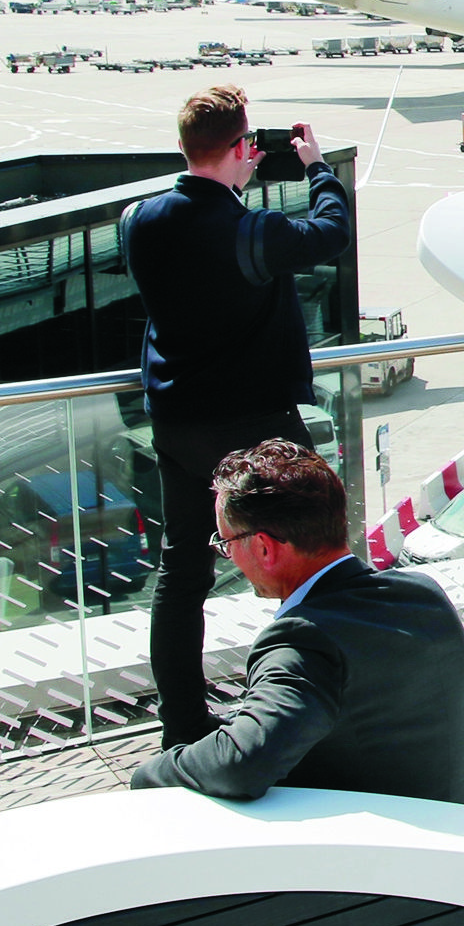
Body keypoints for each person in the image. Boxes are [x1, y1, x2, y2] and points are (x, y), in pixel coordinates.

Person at [122, 85, 351, 747]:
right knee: (313, 554)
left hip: (177, 422)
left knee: (181, 570)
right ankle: (313, 703)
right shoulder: (250, 229)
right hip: (253, 426)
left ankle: (183, 724)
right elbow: (330, 233)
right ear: (242, 147)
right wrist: (315, 166)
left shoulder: (141, 217)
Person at [132, 440, 464, 806]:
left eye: (226, 542)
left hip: (382, 855)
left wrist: (153, 773)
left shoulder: (303, 640)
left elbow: (243, 762)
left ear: (265, 548)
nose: (228, 554)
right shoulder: (423, 595)